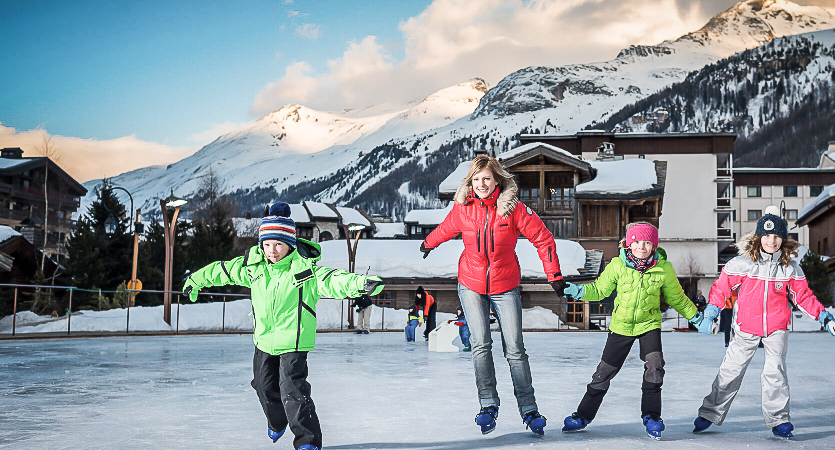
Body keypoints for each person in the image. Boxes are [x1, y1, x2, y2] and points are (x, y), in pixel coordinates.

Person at [182, 202, 385, 450]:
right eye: (267, 244)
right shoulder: (253, 268)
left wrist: (360, 283)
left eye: (278, 244)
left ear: (290, 243)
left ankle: (307, 442)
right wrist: (195, 280)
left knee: (293, 392)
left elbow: (333, 279)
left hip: (294, 342)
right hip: (264, 341)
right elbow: (222, 270)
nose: (272, 250)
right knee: (264, 387)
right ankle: (277, 423)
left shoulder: (304, 271)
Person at [420, 154, 566, 436]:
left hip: (505, 283)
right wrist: (429, 243)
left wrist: (554, 275)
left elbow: (543, 238)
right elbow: (446, 228)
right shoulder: (463, 209)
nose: (481, 184)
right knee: (480, 345)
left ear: (497, 179)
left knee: (514, 349)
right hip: (471, 283)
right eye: (476, 179)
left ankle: (529, 409)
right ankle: (488, 404)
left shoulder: (514, 209)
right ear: (470, 182)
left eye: (486, 178)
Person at [692, 206, 835, 439]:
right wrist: (712, 311)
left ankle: (779, 419)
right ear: (759, 237)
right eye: (767, 235)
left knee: (775, 372)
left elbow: (803, 297)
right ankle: (710, 413)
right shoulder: (742, 264)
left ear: (782, 239)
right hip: (745, 327)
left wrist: (825, 317)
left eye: (776, 236)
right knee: (730, 371)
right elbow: (722, 289)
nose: (771, 240)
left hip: (777, 328)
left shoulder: (790, 268)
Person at [561, 222, 705, 440]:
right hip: (621, 325)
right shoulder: (618, 265)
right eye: (637, 241)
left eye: (647, 242)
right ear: (629, 244)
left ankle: (651, 416)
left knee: (655, 368)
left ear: (654, 245)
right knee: (604, 372)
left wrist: (695, 316)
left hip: (649, 325)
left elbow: (677, 298)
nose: (641, 246)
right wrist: (577, 290)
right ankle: (583, 415)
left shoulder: (663, 268)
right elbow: (600, 289)